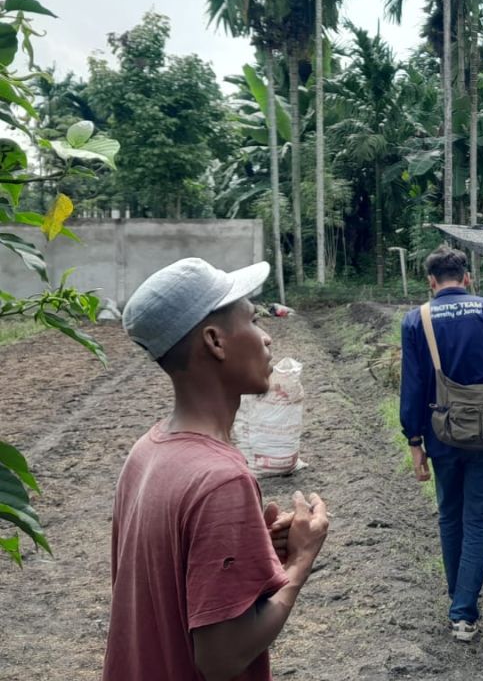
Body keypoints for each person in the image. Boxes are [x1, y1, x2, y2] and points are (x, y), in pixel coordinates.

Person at [105, 258, 329, 681]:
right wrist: (299, 561)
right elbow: (222, 657)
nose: (266, 338)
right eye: (252, 320)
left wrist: (251, 550)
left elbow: (173, 579)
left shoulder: (146, 452)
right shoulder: (220, 479)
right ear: (215, 341)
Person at [400, 245, 483, 643]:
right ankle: (463, 613)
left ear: (431, 282)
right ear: (468, 277)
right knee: (479, 518)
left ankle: (459, 599)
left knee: (449, 514)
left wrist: (414, 439)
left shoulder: (416, 319)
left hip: (442, 433)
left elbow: (414, 385)